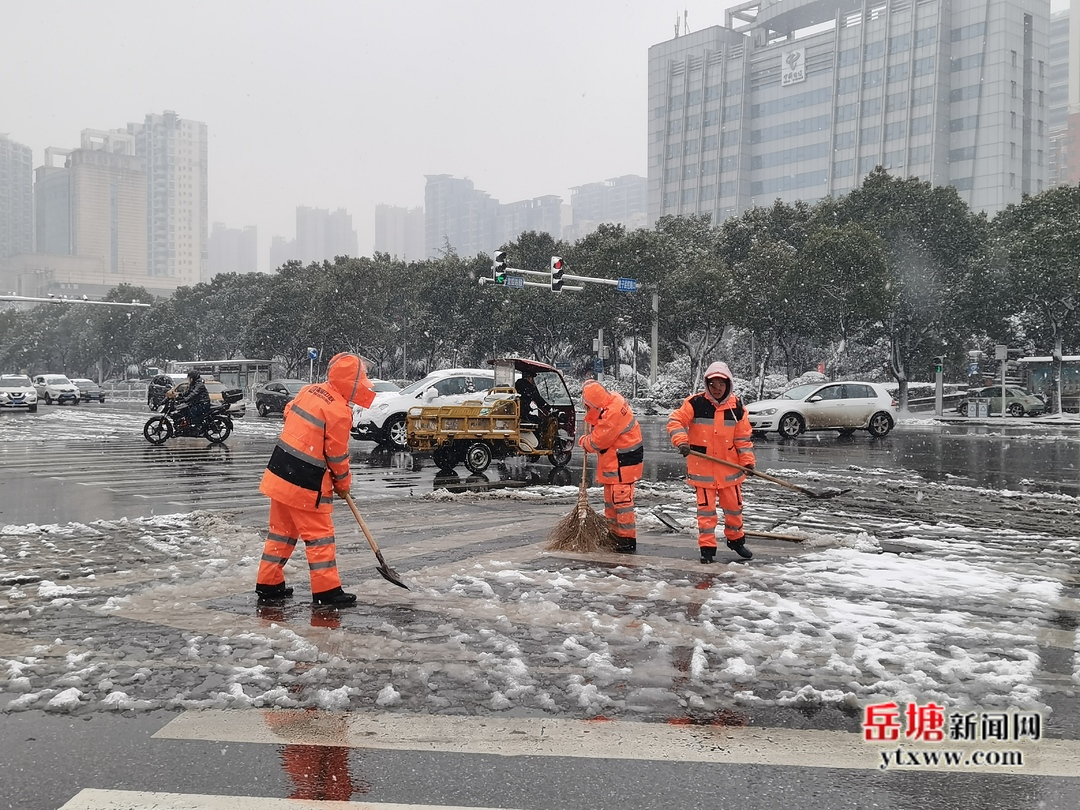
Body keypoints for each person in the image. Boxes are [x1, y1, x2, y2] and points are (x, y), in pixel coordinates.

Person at [255, 352, 377, 606]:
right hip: (306, 483)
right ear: (351, 382)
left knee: (280, 534)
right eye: (362, 378)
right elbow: (337, 456)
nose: (366, 384)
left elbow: (289, 412)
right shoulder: (339, 412)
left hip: (280, 474)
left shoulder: (311, 391)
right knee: (320, 538)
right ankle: (327, 591)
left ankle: (268, 584)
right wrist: (343, 484)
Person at [667, 361, 756, 563]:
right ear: (707, 384)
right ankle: (707, 548)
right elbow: (675, 421)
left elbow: (742, 439)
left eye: (721, 385)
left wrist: (748, 462)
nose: (717, 389)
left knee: (734, 508)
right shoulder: (694, 403)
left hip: (729, 470)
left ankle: (736, 540)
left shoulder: (737, 408)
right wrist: (681, 441)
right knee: (706, 513)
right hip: (702, 469)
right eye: (713, 385)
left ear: (728, 385)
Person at [578, 380, 644, 554]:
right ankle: (614, 534)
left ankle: (626, 539)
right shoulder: (612, 400)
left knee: (622, 503)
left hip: (623, 464)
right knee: (611, 502)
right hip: (617, 463)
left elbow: (598, 441)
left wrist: (584, 441)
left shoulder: (612, 413)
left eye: (588, 406)